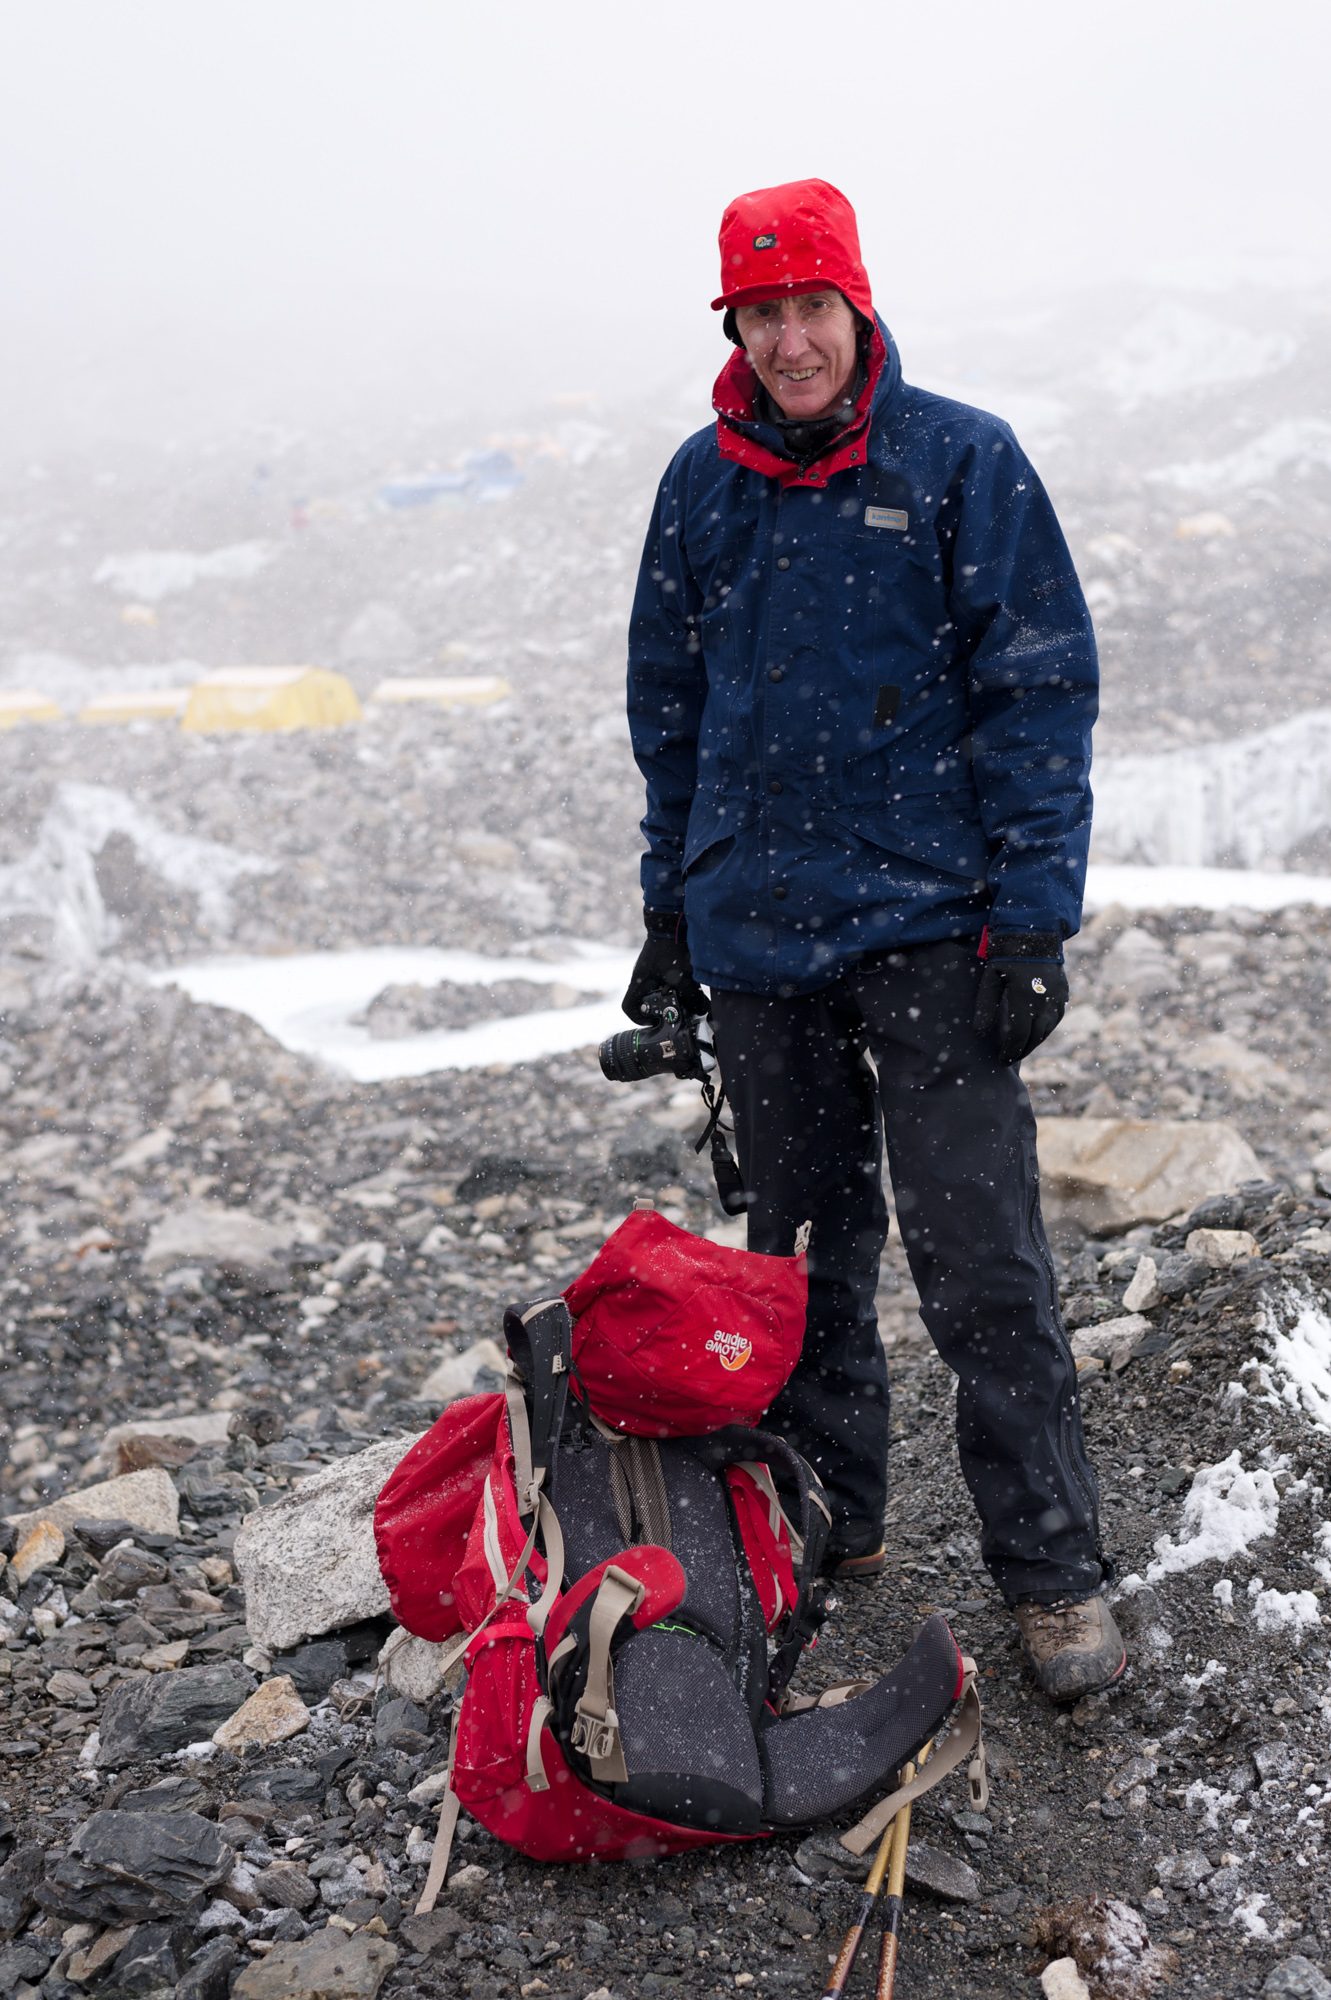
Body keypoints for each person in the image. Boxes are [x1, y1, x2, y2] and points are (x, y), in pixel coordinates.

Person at [622, 178, 1124, 1703]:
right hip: (762, 937)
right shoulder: (701, 487)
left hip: (930, 931)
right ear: (735, 323)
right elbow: (672, 718)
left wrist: (1033, 918)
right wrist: (667, 911)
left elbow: (1037, 690)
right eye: (758, 314)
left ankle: (1050, 1573)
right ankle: (830, 1532)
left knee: (980, 1263)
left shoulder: (962, 460)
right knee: (802, 1263)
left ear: (857, 304)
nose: (788, 341)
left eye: (808, 308)